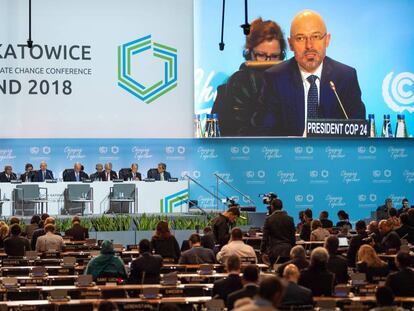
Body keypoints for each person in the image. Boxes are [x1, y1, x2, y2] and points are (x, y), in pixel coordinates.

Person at [254, 9, 365, 136]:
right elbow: (265, 132)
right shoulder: (275, 78)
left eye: (316, 37)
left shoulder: (346, 77)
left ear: (327, 40)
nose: (309, 46)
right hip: (291, 154)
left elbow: (358, 132)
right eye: (300, 38)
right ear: (291, 44)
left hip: (334, 154)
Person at [212, 17, 286, 137]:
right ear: (249, 53)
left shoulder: (290, 84)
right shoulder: (234, 86)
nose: (268, 62)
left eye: (274, 56)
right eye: (261, 55)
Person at [260, 198, 295, 265]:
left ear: (272, 207)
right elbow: (292, 237)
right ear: (281, 207)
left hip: (274, 251)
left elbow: (265, 238)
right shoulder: (290, 219)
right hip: (288, 251)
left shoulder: (269, 219)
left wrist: (262, 251)